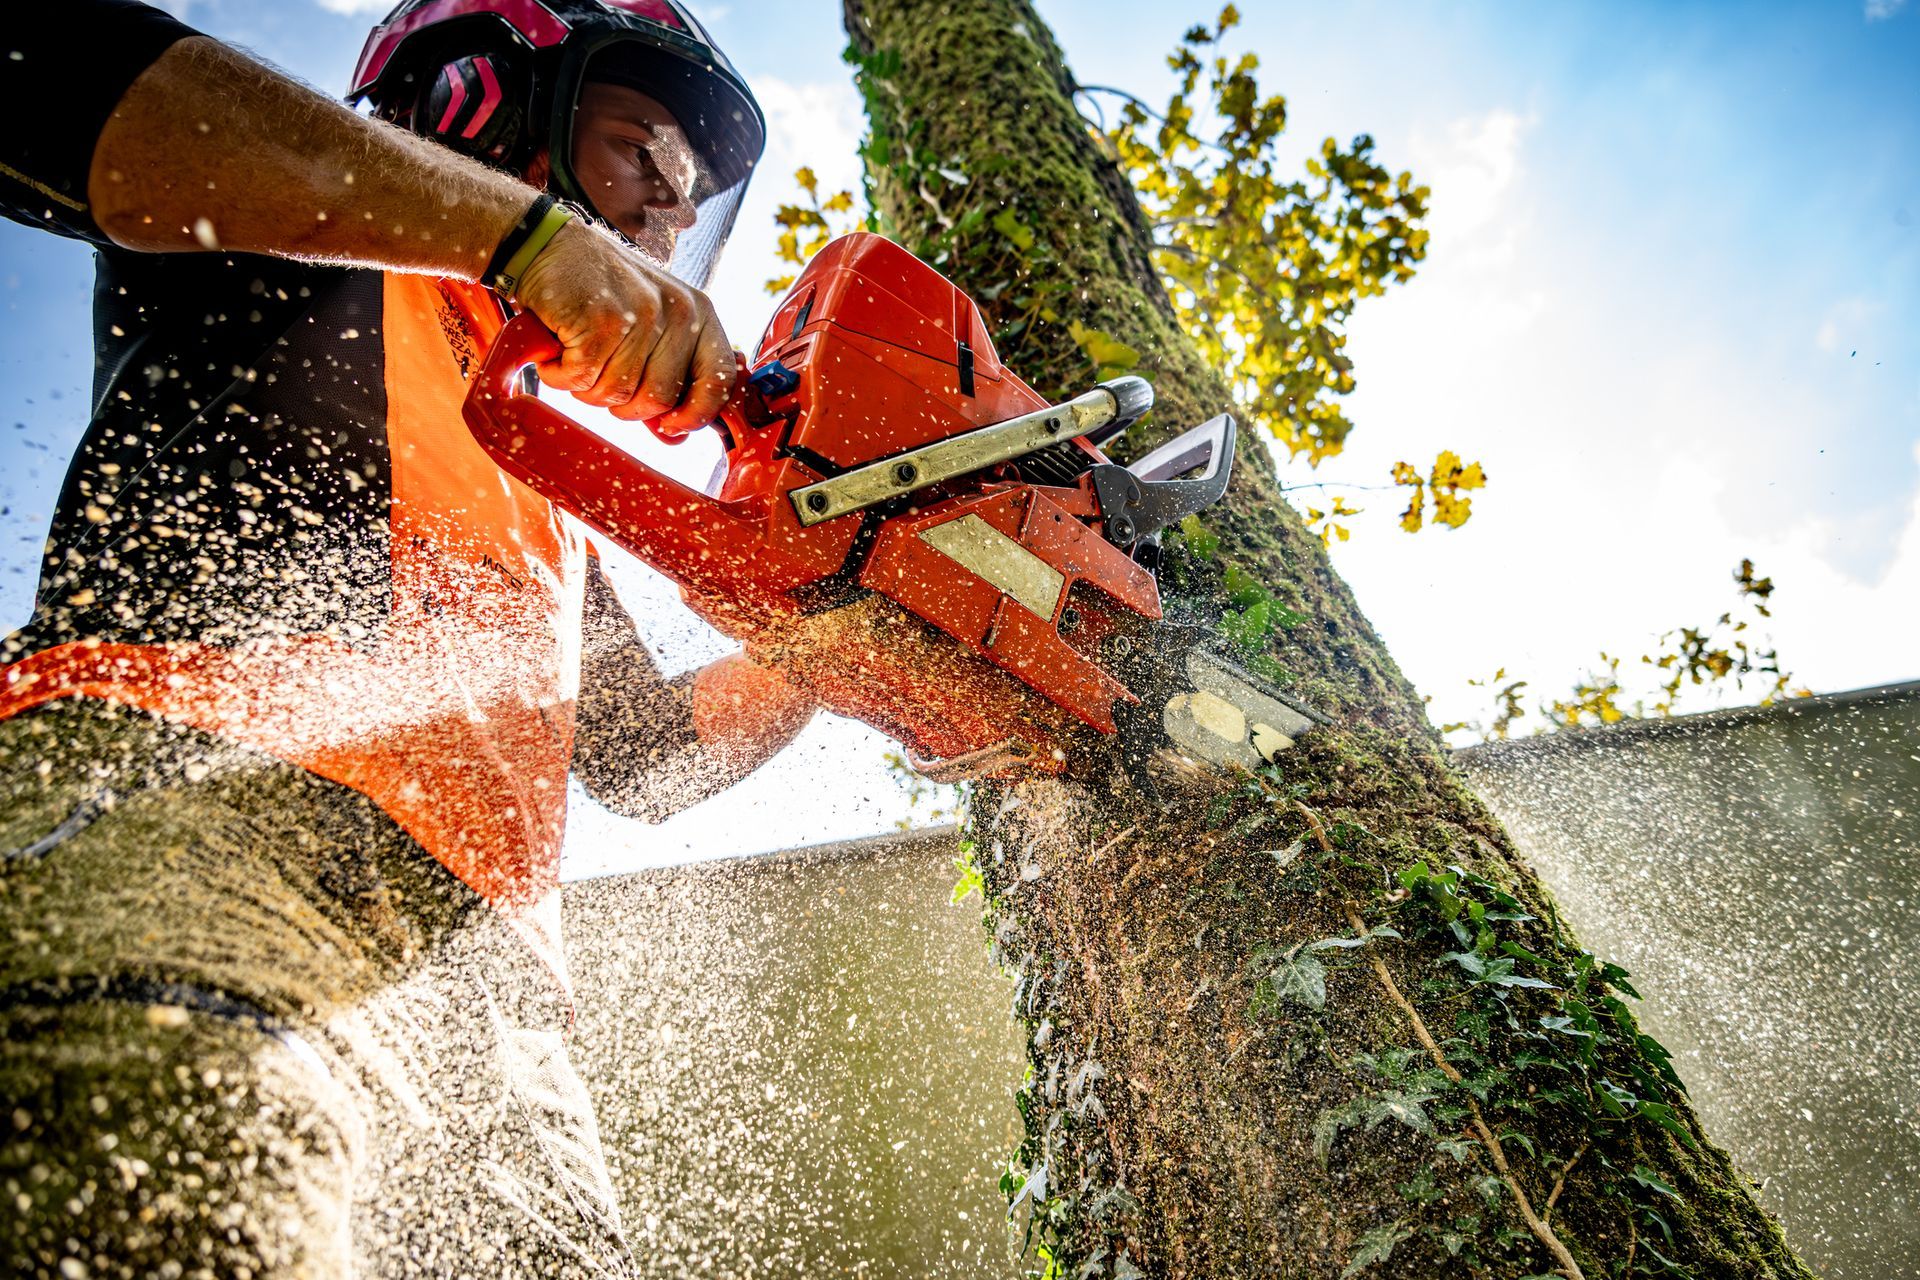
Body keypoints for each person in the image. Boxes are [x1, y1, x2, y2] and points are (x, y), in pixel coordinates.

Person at [0, 2, 814, 1275]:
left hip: (493, 1006)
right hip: (200, 829)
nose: (669, 205)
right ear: (485, 98)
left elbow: (644, 756)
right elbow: (35, 68)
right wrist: (513, 234)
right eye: (641, 152)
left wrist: (830, 646)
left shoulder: (545, 482)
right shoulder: (301, 214)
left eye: (692, 189)